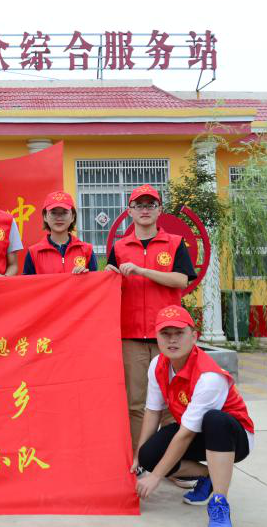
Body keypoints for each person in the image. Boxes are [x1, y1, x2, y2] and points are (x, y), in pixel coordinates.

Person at [133, 305, 254, 527]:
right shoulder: (157, 365)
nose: (172, 340)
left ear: (194, 336)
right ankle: (208, 475)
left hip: (234, 438)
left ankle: (219, 503)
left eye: (179, 333)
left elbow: (186, 434)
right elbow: (153, 411)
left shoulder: (209, 376)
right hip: (195, 430)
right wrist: (138, 459)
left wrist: (156, 476)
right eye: (165, 333)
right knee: (149, 455)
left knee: (215, 419)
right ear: (156, 337)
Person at [105, 184, 196, 451]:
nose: (145, 210)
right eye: (139, 206)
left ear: (159, 210)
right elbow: (109, 284)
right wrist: (107, 276)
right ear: (130, 211)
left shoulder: (175, 243)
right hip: (130, 335)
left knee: (171, 401)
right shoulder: (119, 247)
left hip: (168, 336)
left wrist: (142, 271)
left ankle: (173, 462)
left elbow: (181, 280)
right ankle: (140, 458)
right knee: (136, 402)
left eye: (150, 205)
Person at [23, 190, 97, 275]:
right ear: (45, 216)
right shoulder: (34, 253)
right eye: (53, 213)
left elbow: (96, 281)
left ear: (72, 217)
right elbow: (28, 282)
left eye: (64, 212)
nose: (59, 218)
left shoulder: (86, 250)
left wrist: (86, 276)